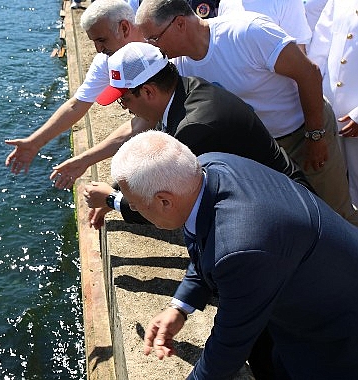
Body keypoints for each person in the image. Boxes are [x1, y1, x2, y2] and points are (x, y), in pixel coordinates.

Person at [68, 0, 358, 225]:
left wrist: (316, 136)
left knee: (335, 213)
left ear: (179, 24)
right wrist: (113, 180)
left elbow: (308, 73)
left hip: (302, 131)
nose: (152, 48)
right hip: (262, 145)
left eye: (153, 39)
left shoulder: (246, 32)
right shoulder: (179, 64)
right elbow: (144, 124)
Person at [110, 130, 358, 379]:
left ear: (164, 201)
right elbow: (207, 241)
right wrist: (181, 307)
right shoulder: (207, 168)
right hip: (310, 292)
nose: (134, 209)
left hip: (336, 332)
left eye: (135, 204)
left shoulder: (240, 247)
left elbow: (228, 347)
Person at [83, 42, 311, 234]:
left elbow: (168, 204)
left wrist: (112, 200)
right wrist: (117, 189)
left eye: (124, 100)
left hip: (288, 218)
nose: (125, 109)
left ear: (148, 92)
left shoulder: (194, 129)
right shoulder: (187, 89)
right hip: (282, 198)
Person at [4, 0, 146, 189]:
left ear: (125, 28)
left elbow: (146, 123)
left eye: (102, 40)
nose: (98, 49)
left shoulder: (163, 50)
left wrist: (85, 160)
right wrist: (34, 142)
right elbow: (76, 105)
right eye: (94, 42)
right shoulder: (107, 59)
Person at [307, 0, 358, 206]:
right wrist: (315, 103)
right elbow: (319, 51)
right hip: (329, 116)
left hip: (354, 119)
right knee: (331, 189)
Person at [217, 0, 311, 52]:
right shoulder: (226, 2)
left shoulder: (288, 2)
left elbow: (299, 51)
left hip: (275, 87)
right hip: (229, 86)